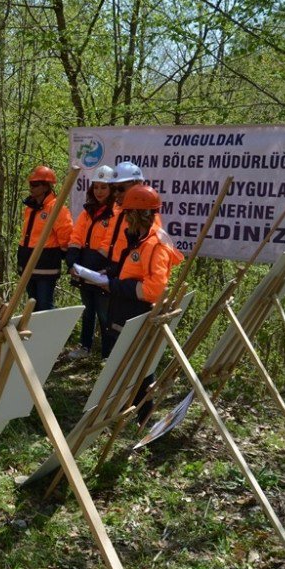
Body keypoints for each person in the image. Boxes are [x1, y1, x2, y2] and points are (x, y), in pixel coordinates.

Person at [101, 185, 183, 424]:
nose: (124, 219)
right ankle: (129, 412)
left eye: (127, 214)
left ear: (137, 215)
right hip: (125, 311)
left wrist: (115, 286)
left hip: (137, 314)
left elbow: (154, 290)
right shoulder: (140, 239)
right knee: (129, 366)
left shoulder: (155, 244)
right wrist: (110, 275)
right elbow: (131, 271)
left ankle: (142, 416)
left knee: (139, 369)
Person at [65, 165, 116, 358]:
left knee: (104, 315)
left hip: (102, 271)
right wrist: (72, 261)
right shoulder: (88, 212)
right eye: (96, 187)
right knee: (88, 311)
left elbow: (108, 243)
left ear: (111, 189)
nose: (99, 191)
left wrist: (88, 267)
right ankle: (85, 347)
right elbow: (76, 236)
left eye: (104, 187)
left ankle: (107, 354)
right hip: (84, 270)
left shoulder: (115, 213)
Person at [16, 165, 73, 311]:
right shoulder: (30, 208)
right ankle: (36, 334)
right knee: (32, 307)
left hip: (46, 267)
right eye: (30, 184)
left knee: (45, 306)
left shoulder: (57, 208)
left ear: (46, 186)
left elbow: (66, 237)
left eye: (35, 184)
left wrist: (62, 257)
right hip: (28, 264)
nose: (32, 188)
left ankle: (52, 333)